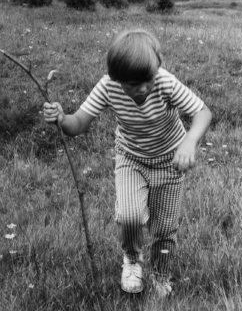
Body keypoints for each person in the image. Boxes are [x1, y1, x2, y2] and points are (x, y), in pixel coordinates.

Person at [42, 28, 212, 297]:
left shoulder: (165, 82)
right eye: (133, 85)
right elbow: (78, 124)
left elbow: (202, 112)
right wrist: (62, 119)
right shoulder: (108, 86)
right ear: (116, 78)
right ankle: (132, 261)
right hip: (131, 159)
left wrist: (189, 141)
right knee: (129, 216)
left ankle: (160, 273)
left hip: (169, 163)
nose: (143, 89)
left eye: (148, 80)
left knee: (164, 227)